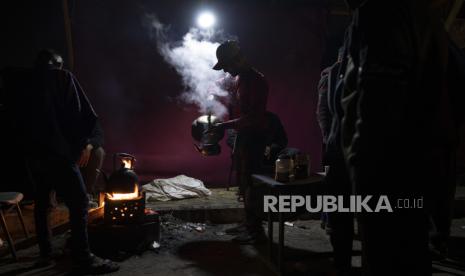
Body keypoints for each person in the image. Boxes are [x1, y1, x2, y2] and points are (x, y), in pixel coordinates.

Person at [340, 1, 459, 274]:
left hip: (385, 175)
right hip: (416, 168)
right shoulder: (425, 15)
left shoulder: (382, 12)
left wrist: (363, 176)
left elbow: (377, 105)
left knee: (386, 258)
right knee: (411, 255)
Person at [5, 49, 119, 273]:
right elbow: (80, 114)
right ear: (57, 65)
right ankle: (83, 257)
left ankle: (46, 255)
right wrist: (81, 144)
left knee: (43, 205)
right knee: (79, 203)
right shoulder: (62, 77)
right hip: (58, 153)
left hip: (35, 155)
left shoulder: (20, 82)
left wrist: (86, 144)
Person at [208, 40, 269, 244]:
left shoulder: (257, 81)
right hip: (243, 136)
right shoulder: (239, 78)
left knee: (251, 184)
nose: (225, 69)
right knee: (243, 183)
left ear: (238, 59)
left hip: (254, 139)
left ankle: (256, 232)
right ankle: (249, 224)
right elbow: (219, 87)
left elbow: (254, 117)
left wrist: (225, 126)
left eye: (226, 64)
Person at [317, 46, 354, 274]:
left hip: (355, 148)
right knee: (338, 198)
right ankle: (331, 223)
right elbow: (323, 110)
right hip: (337, 146)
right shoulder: (331, 75)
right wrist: (329, 136)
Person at [78, 119, 105, 207]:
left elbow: (99, 136)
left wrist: (89, 146)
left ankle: (86, 194)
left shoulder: (86, 111)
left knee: (98, 152)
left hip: (81, 149)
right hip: (62, 148)